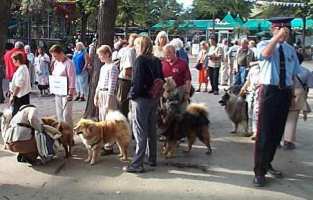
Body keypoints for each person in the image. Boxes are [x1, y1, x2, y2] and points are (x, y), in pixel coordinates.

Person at [253, 17, 300, 187]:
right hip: (269, 91)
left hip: (285, 93)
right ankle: (259, 171)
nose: (285, 34)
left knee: (276, 133)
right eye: (282, 30)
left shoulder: (290, 50)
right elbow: (265, 55)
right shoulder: (264, 44)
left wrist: (294, 96)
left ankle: (268, 163)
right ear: (274, 29)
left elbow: (293, 74)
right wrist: (276, 38)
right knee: (264, 133)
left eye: (287, 31)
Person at [123, 36, 163, 173]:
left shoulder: (140, 60)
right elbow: (161, 79)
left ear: (141, 46)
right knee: (151, 129)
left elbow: (137, 82)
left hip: (141, 99)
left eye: (136, 45)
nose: (134, 47)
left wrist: (131, 96)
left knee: (140, 131)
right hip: (153, 98)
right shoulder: (156, 60)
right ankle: (152, 158)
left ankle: (137, 164)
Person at [282, 53, 313, 150]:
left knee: (280, 118)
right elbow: (310, 85)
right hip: (298, 94)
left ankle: (277, 139)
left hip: (283, 93)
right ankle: (288, 141)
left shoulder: (285, 70)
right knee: (292, 119)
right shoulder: (306, 71)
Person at [49, 45, 76, 127]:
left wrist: (70, 93)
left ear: (61, 53)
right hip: (58, 91)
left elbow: (72, 78)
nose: (54, 58)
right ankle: (62, 132)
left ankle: (69, 132)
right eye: (53, 56)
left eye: (55, 56)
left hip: (66, 92)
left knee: (66, 115)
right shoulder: (56, 63)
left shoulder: (69, 63)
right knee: (59, 114)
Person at [162, 44, 191, 113]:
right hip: (167, 92)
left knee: (182, 113)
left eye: (169, 53)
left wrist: (187, 93)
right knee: (168, 113)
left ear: (175, 53)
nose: (167, 56)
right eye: (165, 54)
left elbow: (188, 79)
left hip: (180, 90)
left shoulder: (183, 63)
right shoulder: (162, 64)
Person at [116, 33, 138, 118]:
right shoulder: (128, 50)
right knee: (123, 101)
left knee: (126, 101)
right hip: (125, 78)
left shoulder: (135, 51)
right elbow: (127, 69)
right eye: (132, 39)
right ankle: (122, 119)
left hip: (130, 78)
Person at [9, 52, 31, 116]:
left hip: (20, 96)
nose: (13, 62)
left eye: (13, 60)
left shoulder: (21, 69)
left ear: (17, 60)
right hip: (23, 95)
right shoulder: (24, 67)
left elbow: (18, 85)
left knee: (18, 115)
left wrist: (13, 96)